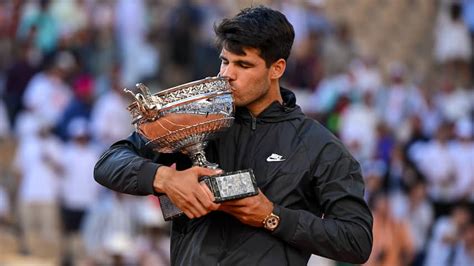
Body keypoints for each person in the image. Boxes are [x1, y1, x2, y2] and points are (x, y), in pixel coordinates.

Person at [94, 6, 373, 265]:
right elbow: (108, 162)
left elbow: (356, 240)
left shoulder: (318, 145)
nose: (227, 74)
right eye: (224, 61)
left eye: (243, 65)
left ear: (276, 68)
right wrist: (166, 179)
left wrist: (272, 216)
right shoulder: (192, 119)